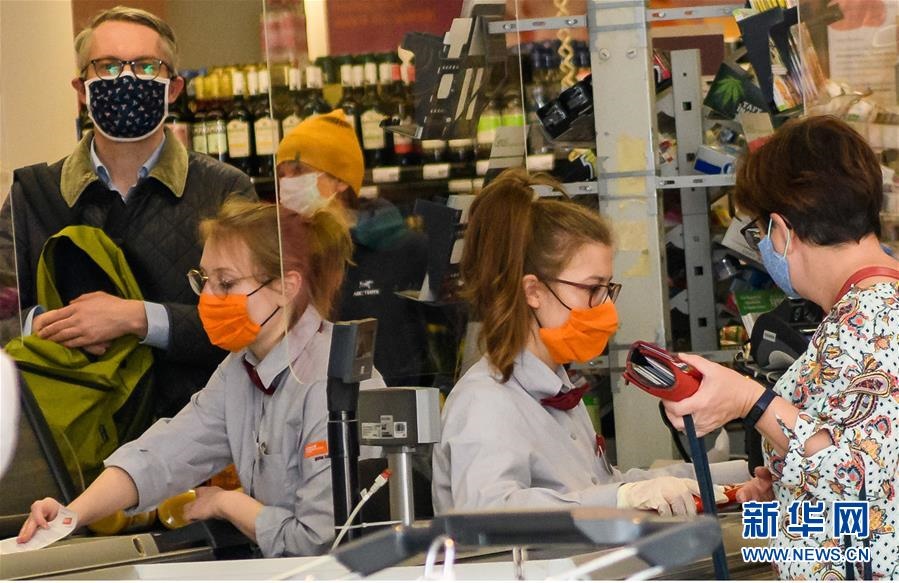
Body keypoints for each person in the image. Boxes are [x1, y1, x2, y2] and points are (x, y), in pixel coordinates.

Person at [17, 197, 385, 556]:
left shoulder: (332, 382)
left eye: (225, 283)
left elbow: (319, 539)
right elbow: (165, 454)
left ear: (286, 287)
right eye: (204, 280)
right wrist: (71, 514)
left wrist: (227, 504)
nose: (207, 297)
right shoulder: (240, 369)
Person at [432, 169, 750, 515]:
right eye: (593, 289)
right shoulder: (484, 402)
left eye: (608, 289)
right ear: (533, 291)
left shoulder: (556, 388)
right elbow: (487, 513)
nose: (607, 307)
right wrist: (623, 497)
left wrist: (744, 474)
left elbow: (598, 486)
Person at [663, 116, 899, 579]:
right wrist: (785, 488)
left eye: (758, 233)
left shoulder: (873, 317)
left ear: (781, 229)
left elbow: (858, 475)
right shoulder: (863, 310)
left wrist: (749, 401)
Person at [0, 6, 256, 419]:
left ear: (173, 88)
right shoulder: (32, 194)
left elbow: (250, 320)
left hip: (198, 431)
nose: (127, 78)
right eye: (107, 66)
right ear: (81, 88)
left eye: (146, 66)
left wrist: (139, 319)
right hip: (75, 433)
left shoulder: (223, 189)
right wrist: (54, 327)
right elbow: (2, 314)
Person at [276, 110, 428, 386]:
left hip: (389, 402)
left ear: (341, 180)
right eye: (281, 174)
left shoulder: (404, 249)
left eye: (298, 170)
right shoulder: (285, 257)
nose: (286, 184)